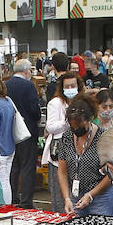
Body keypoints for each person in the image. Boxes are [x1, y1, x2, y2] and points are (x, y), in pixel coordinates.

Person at [55, 93, 113, 217]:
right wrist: (67, 198)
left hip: (101, 197)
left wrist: (91, 195)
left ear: (89, 119)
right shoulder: (66, 138)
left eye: (80, 126)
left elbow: (112, 172)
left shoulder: (104, 138)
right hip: (75, 195)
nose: (76, 129)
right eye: (73, 126)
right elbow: (62, 170)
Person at [6, 59, 43, 208]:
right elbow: (34, 109)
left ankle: (13, 198)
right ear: (26, 70)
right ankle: (26, 201)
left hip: (10, 132)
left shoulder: (5, 85)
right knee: (28, 167)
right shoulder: (29, 86)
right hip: (27, 132)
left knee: (13, 167)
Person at [43, 73, 79, 208]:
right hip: (59, 152)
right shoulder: (55, 103)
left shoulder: (81, 102)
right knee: (59, 195)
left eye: (73, 86)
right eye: (67, 86)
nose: (70, 88)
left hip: (78, 152)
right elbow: (50, 127)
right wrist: (67, 123)